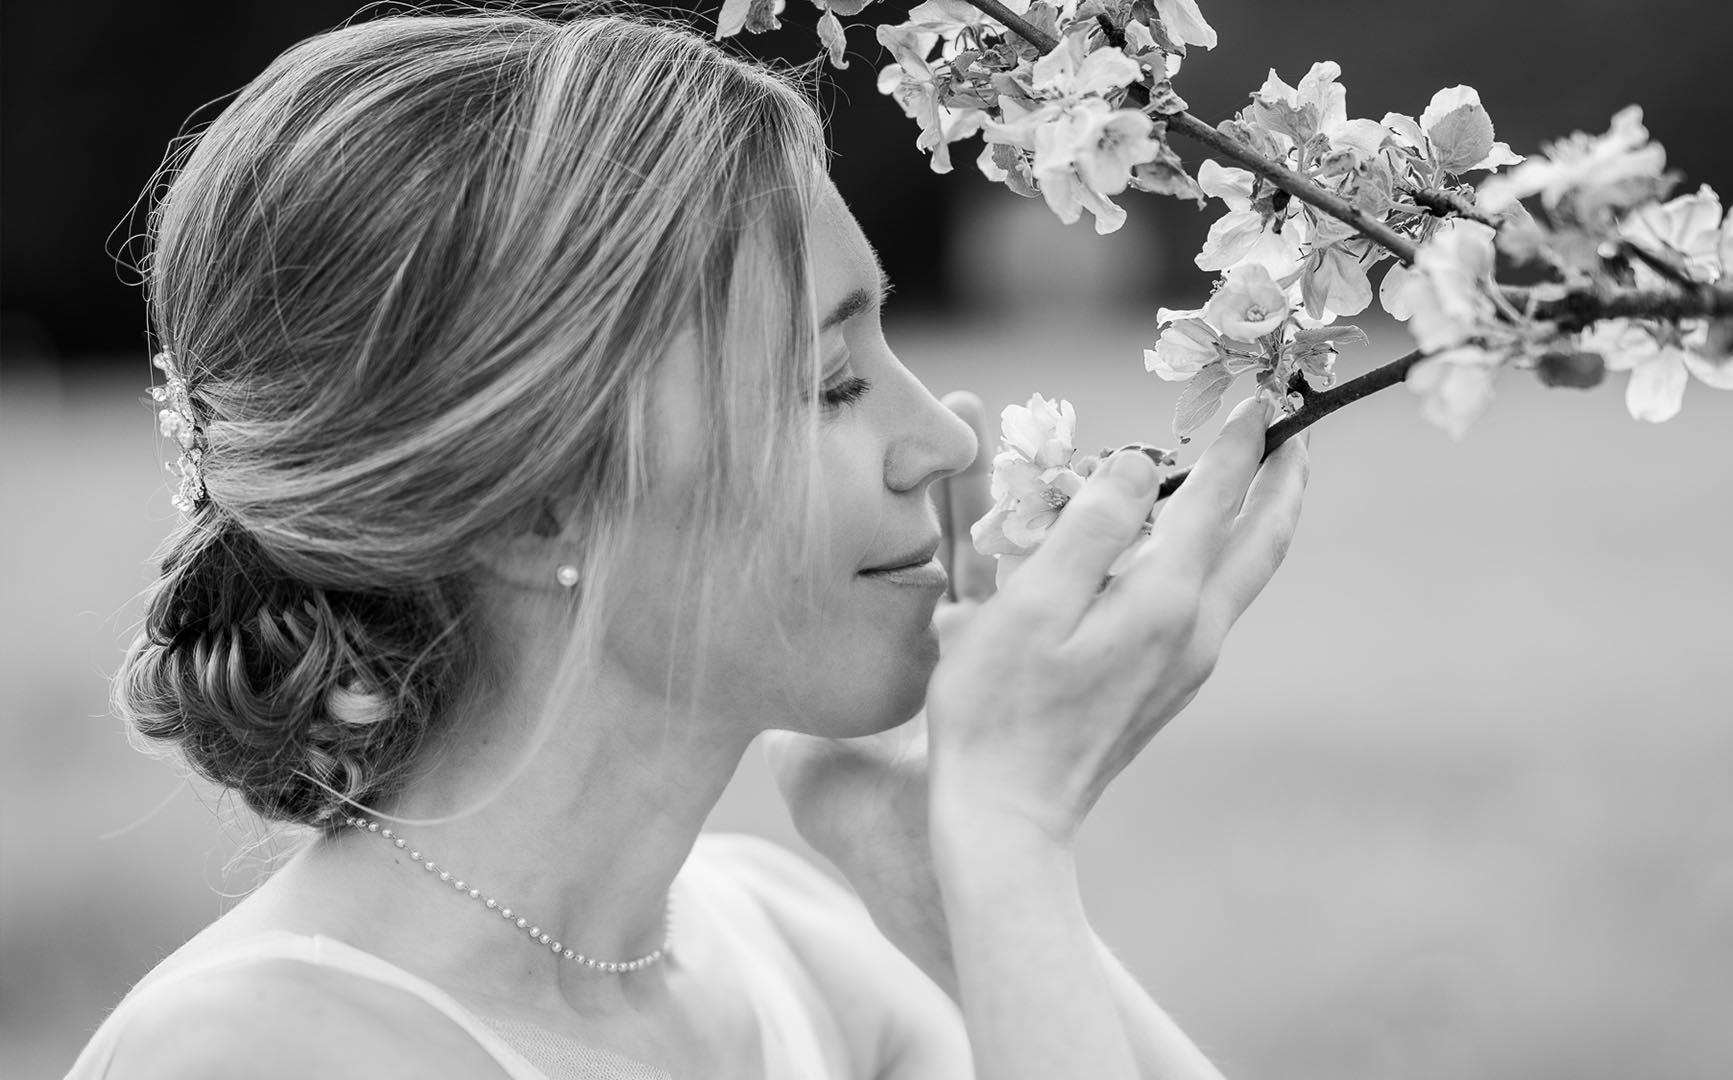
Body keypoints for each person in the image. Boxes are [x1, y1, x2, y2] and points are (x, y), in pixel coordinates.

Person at [70, 10, 1308, 1079]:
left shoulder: (790, 951)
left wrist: (941, 877)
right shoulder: (259, 1053)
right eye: (828, 384)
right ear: (531, 503)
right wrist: (1015, 836)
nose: (938, 440)